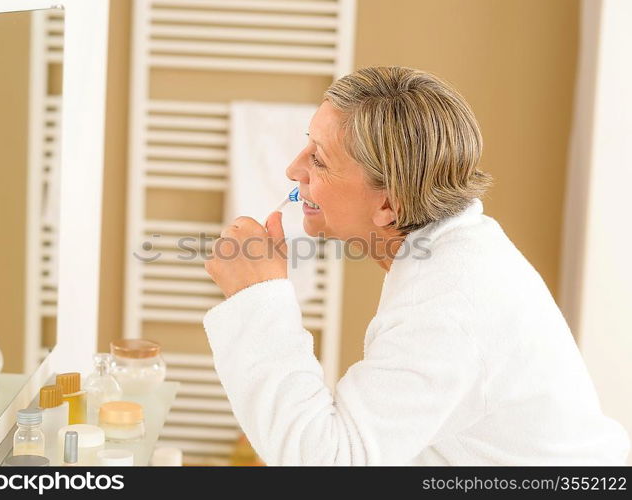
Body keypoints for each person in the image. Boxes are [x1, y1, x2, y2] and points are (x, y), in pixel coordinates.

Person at [203, 66, 629, 465]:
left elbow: (328, 461)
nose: (293, 168)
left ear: (389, 204)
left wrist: (258, 297)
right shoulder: (455, 255)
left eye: (319, 159)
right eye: (307, 143)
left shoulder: (450, 302)